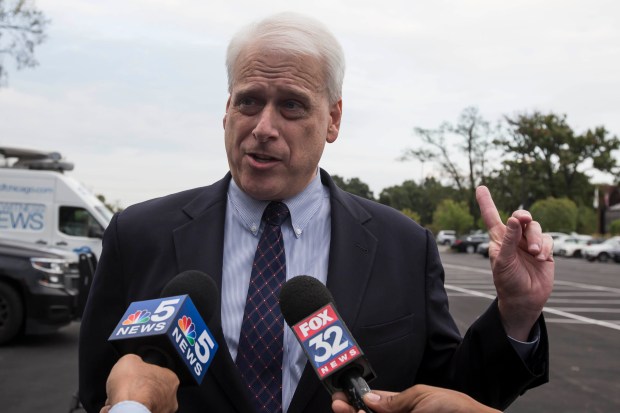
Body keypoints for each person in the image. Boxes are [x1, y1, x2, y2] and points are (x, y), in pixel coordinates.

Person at [79, 11, 553, 413]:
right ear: (227, 110)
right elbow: (93, 392)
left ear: (333, 119)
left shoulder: (404, 246)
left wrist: (516, 313)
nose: (264, 127)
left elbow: (452, 396)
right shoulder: (137, 235)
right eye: (249, 101)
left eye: (291, 106)